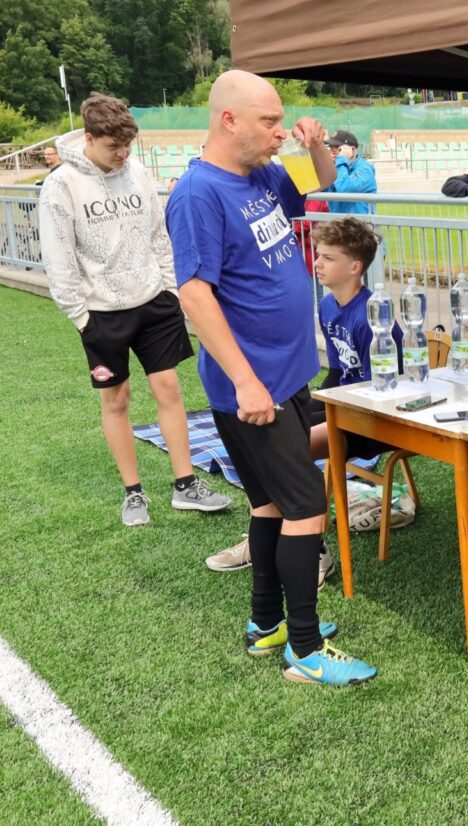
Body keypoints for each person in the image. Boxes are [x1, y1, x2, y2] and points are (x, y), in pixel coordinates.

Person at [165, 69, 376, 687]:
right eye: (269, 121)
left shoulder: (259, 174)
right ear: (229, 120)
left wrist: (315, 145)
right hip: (255, 386)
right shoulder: (198, 193)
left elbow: (325, 183)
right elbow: (195, 295)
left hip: (285, 375)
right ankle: (306, 650)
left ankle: (266, 625)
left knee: (269, 504)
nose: (279, 132)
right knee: (307, 506)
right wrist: (246, 382)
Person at [38, 93, 230, 527]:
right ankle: (134, 492)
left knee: (170, 389)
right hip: (101, 313)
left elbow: (159, 234)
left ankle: (185, 485)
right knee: (117, 400)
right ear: (89, 139)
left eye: (127, 145)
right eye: (113, 147)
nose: (123, 154)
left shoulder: (137, 170)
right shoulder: (61, 185)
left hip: (154, 302)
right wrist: (82, 318)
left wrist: (170, 290)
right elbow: (58, 259)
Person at [206, 217, 404, 574]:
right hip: (344, 404)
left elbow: (383, 390)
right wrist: (308, 405)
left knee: (285, 450)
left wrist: (322, 412)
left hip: (376, 418)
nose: (317, 263)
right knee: (263, 432)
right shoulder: (327, 306)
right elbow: (336, 374)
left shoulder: (372, 315)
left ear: (355, 267)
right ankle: (265, 535)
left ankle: (313, 550)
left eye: (328, 257)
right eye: (318, 254)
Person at [324, 129, 376, 215]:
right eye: (330, 147)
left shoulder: (365, 171)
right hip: (339, 222)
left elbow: (344, 188)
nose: (332, 150)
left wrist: (342, 158)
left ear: (352, 149)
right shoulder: (337, 168)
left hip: (359, 223)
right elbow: (318, 187)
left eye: (336, 147)